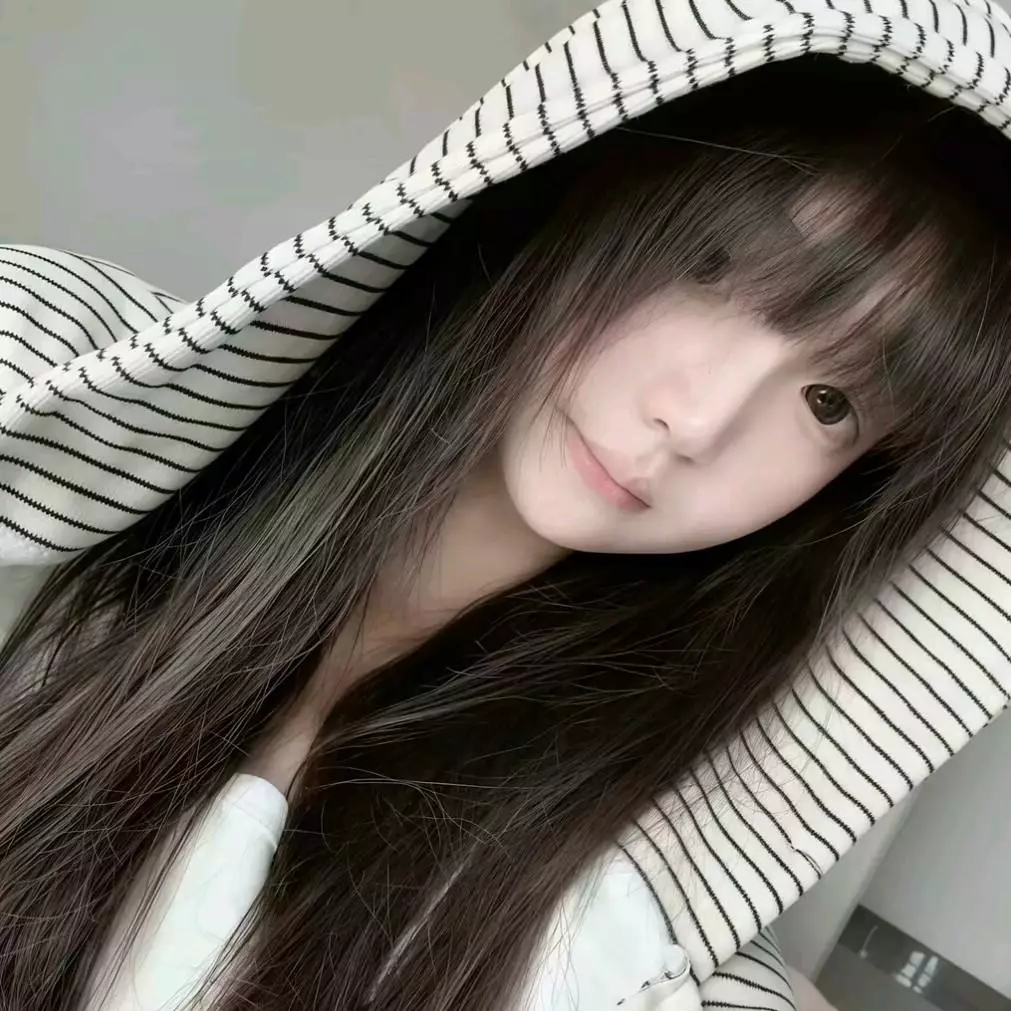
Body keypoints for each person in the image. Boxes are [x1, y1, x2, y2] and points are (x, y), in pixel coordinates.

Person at [2, 4, 1011, 1010]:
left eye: (829, 404)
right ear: (580, 171)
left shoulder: (618, 944)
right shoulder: (50, 416)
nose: (697, 420)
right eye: (712, 265)